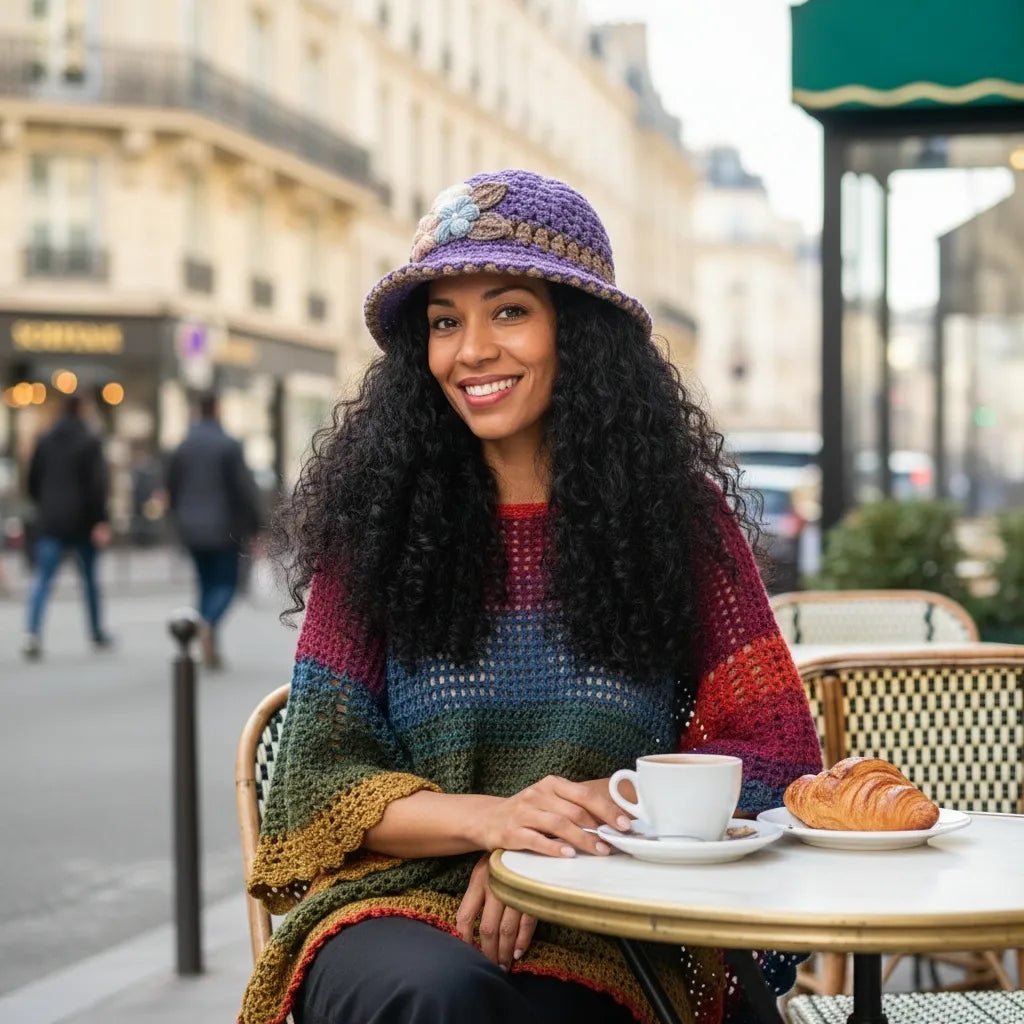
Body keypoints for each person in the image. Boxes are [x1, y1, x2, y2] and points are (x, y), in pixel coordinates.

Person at [239, 170, 823, 1024]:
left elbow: (779, 758)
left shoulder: (676, 518)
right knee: (436, 994)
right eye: (445, 321)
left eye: (508, 310)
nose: (471, 349)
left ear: (575, 333)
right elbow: (318, 784)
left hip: (619, 905)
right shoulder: (379, 518)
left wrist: (592, 820)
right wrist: (496, 825)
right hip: (398, 903)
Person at [167, 391, 263, 669]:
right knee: (228, 585)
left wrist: (178, 519)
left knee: (205, 584)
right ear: (218, 409)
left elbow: (171, 487)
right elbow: (243, 489)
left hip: (191, 528)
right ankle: (207, 624)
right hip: (224, 529)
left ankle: (204, 634)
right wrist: (255, 527)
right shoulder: (228, 445)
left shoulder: (183, 446)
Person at [23, 393, 112, 659]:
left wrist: (45, 504)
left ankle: (32, 632)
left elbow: (32, 481)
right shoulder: (90, 441)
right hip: (83, 521)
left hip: (51, 519)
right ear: (82, 408)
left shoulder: (45, 439)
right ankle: (96, 632)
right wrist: (100, 520)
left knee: (43, 579)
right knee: (89, 581)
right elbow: (98, 486)